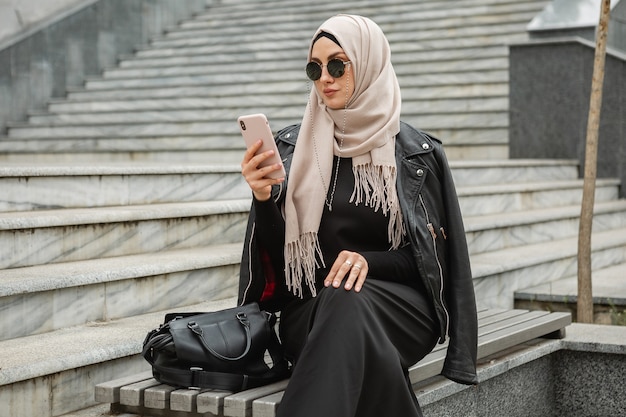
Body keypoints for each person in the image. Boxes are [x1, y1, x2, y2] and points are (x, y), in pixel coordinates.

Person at [238, 14, 477, 417]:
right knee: (345, 307)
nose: (324, 78)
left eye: (337, 64)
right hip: (311, 312)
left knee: (348, 299)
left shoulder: (417, 154)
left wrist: (369, 261)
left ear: (368, 62)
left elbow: (435, 262)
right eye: (315, 68)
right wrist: (265, 199)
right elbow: (283, 268)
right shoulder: (292, 150)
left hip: (400, 309)